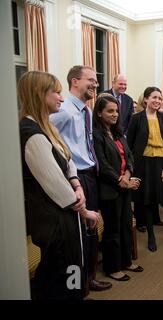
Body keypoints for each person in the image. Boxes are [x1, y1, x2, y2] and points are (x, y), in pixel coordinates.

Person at [18, 71, 100, 299]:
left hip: (65, 216)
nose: (61, 98)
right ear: (39, 94)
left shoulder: (45, 126)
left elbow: (68, 158)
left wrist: (76, 183)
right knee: (61, 273)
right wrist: (84, 210)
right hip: (53, 221)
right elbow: (54, 183)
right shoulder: (30, 132)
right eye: (56, 92)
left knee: (70, 267)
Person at [50, 65, 112, 293]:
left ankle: (89, 278)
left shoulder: (85, 110)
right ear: (75, 82)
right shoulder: (64, 111)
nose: (95, 84)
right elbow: (46, 139)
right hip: (76, 179)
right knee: (78, 235)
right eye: (91, 80)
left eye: (96, 81)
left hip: (90, 175)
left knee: (91, 228)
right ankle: (79, 285)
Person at [92, 95, 144, 281]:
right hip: (109, 189)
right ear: (99, 113)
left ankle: (126, 261)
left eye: (116, 111)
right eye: (110, 111)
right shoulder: (96, 135)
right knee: (112, 229)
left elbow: (129, 156)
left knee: (125, 226)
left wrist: (128, 177)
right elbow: (102, 164)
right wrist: (120, 180)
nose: (115, 114)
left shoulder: (118, 133)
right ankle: (112, 268)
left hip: (125, 187)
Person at [127, 87, 163, 252]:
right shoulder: (137, 118)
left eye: (160, 98)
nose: (157, 101)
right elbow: (129, 144)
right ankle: (151, 236)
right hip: (143, 165)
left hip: (162, 164)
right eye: (154, 97)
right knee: (148, 202)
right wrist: (131, 169)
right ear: (146, 100)